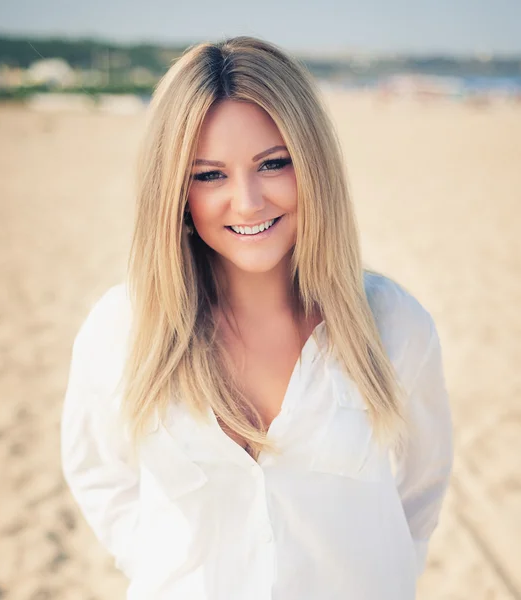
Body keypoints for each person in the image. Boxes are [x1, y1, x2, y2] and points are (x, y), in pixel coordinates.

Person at [60, 35, 453, 600]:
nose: (246, 202)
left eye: (272, 164)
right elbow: (99, 474)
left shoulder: (395, 325)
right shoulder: (120, 330)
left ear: (313, 166)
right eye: (209, 174)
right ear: (175, 190)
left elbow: (422, 485)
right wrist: (162, 570)